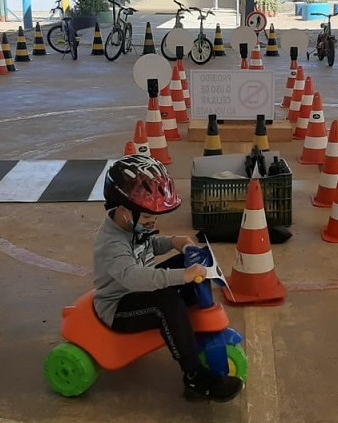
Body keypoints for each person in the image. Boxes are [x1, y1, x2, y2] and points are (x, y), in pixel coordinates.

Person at [94, 155, 244, 402]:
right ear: (122, 210)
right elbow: (134, 278)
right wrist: (183, 276)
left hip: (137, 290)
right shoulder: (111, 243)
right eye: (146, 217)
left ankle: (186, 327)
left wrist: (174, 242)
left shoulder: (131, 225)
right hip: (118, 306)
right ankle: (194, 377)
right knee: (167, 302)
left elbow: (148, 243)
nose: (151, 222)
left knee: (184, 268)